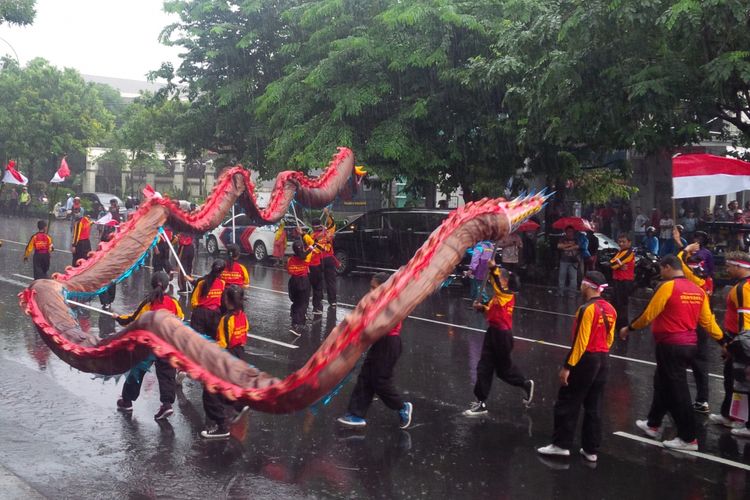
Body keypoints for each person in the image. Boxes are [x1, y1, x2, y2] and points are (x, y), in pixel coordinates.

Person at [620, 255, 724, 451]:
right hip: (688, 345)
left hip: (670, 345)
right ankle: (653, 424)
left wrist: (629, 328)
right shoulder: (698, 290)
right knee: (662, 383)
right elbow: (708, 322)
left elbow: (649, 313)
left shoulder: (667, 287)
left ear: (667, 267)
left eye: (661, 269)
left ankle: (688, 438)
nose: (660, 273)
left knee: (678, 391)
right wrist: (723, 341)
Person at [537, 271, 615, 462]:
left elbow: (581, 342)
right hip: (603, 358)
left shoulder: (586, 309)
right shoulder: (611, 309)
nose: (580, 287)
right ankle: (591, 450)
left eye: (582, 284)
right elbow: (609, 338)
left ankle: (561, 445)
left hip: (586, 359)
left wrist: (567, 366)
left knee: (568, 402)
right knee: (594, 406)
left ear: (588, 286)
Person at [337, 272, 413, 429]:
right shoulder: (376, 302)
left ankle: (402, 407)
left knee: (380, 380)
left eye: (374, 288)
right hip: (379, 342)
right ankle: (355, 414)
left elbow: (377, 325)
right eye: (370, 288)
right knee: (365, 376)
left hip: (389, 343)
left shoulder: (392, 303)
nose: (371, 291)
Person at [463, 265, 534, 416]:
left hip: (502, 336)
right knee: (484, 367)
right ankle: (481, 402)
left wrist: (493, 267)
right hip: (493, 333)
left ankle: (524, 383)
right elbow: (492, 312)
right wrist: (480, 307)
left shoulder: (506, 294)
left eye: (498, 279)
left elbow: (495, 282)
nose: (493, 281)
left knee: (504, 371)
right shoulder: (499, 296)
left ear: (506, 281)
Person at [115, 272, 184, 420]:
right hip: (167, 345)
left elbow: (133, 320)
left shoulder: (147, 304)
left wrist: (119, 318)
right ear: (166, 286)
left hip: (148, 346)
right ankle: (166, 405)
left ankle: (127, 401)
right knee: (167, 375)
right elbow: (181, 318)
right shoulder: (173, 303)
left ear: (152, 285)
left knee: (137, 371)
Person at [201, 285, 250, 439]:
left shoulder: (226, 319)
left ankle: (222, 426)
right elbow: (244, 335)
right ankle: (240, 404)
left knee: (210, 391)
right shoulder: (243, 315)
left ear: (227, 301)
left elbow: (223, 343)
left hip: (228, 356)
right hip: (239, 354)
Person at [708, 252, 750, 430]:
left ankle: (744, 423)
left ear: (739, 266)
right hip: (738, 339)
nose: (726, 269)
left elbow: (745, 321)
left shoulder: (742, 289)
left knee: (740, 381)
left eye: (729, 266)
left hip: (741, 341)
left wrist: (733, 347)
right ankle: (729, 415)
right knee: (731, 379)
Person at [677, 243, 714, 414]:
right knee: (701, 366)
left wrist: (686, 249)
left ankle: (677, 400)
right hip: (703, 326)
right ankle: (702, 400)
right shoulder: (707, 281)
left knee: (676, 366)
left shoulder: (692, 280)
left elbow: (678, 261)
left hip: (688, 326)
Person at [190, 259, 227, 337]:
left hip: (200, 314)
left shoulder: (202, 282)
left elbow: (193, 301)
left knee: (196, 339)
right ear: (222, 272)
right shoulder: (222, 284)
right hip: (214, 315)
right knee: (213, 340)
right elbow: (223, 302)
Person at [312, 208, 337, 309]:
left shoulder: (312, 235)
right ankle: (333, 301)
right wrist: (327, 213)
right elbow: (333, 223)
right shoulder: (328, 232)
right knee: (330, 280)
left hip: (319, 260)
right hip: (329, 259)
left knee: (318, 281)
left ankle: (319, 301)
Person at [609, 234, 635, 329]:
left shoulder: (628, 252)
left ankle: (622, 326)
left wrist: (618, 264)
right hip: (618, 281)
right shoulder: (620, 252)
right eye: (619, 241)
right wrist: (619, 265)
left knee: (622, 305)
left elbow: (613, 264)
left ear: (629, 242)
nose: (621, 243)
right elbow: (612, 262)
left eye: (623, 241)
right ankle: (617, 324)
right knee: (615, 303)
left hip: (624, 282)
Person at [287, 239, 312, 336]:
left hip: (293, 281)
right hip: (303, 281)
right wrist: (310, 249)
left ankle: (295, 320)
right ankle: (296, 324)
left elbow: (289, 270)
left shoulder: (290, 260)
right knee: (303, 303)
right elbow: (307, 255)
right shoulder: (306, 258)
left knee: (296, 302)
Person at [557, 226, 580, 295]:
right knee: (562, 277)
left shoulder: (576, 239)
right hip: (564, 261)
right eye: (568, 231)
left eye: (571, 231)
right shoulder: (562, 239)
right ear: (566, 232)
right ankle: (561, 292)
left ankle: (572, 293)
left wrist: (566, 247)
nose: (570, 233)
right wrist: (570, 245)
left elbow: (577, 246)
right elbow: (559, 246)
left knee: (573, 278)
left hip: (573, 261)